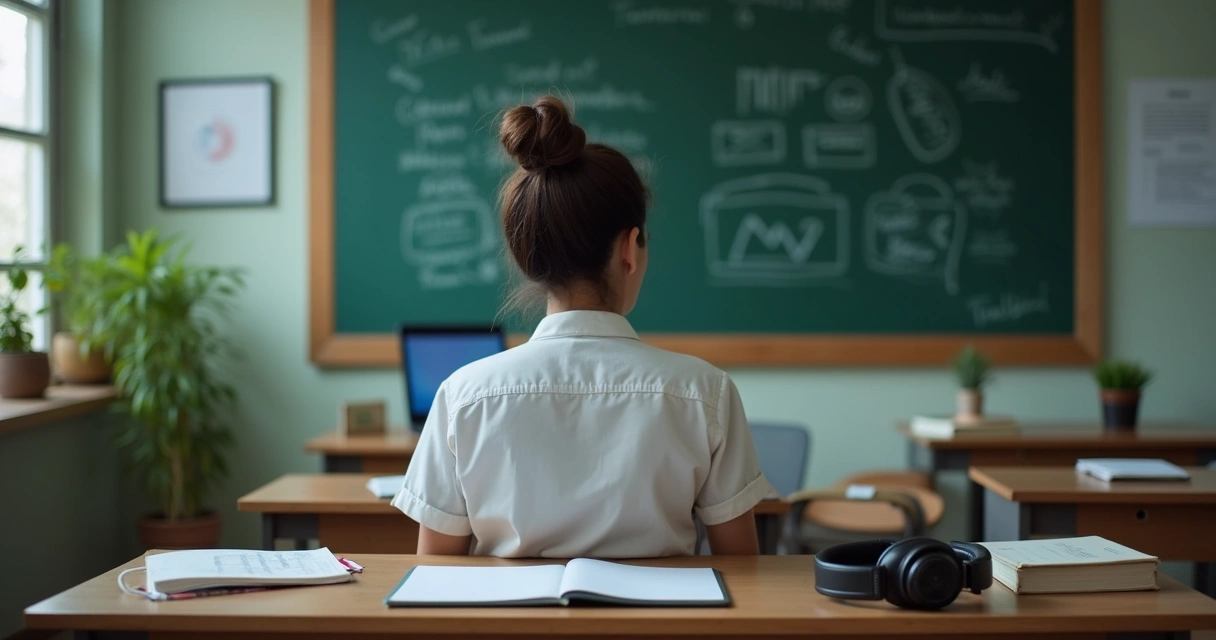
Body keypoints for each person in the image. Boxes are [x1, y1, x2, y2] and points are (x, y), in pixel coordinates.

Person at [392, 95, 776, 558]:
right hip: (662, 631)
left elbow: (435, 574)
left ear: (526, 256)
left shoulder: (463, 396)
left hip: (508, 631)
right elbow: (743, 571)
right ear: (630, 249)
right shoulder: (705, 392)